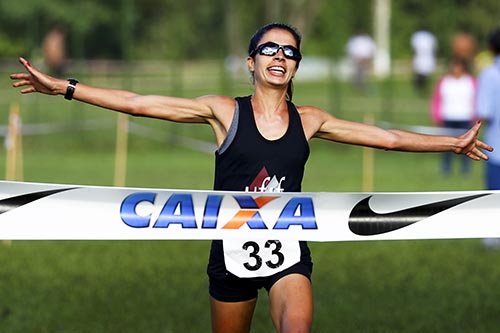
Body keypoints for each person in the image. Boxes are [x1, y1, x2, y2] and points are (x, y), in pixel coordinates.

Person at [10, 22, 492, 333]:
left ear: (297, 65)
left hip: (290, 247)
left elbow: (385, 137)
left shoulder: (311, 119)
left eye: (290, 51)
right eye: (269, 48)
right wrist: (65, 88)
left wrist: (449, 142)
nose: (280, 56)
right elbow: (140, 103)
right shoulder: (223, 112)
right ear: (251, 61)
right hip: (229, 249)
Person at [431, 58, 477, 176]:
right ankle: (446, 170)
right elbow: (437, 99)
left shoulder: (470, 81)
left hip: (465, 118)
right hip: (448, 117)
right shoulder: (444, 81)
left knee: (466, 146)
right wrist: (436, 115)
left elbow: (476, 99)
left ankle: (465, 170)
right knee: (446, 146)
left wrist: (475, 116)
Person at [476, 28, 500, 249]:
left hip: (497, 147)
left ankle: (492, 236)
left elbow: (484, 111)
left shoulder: (490, 74)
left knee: (495, 195)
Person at [411, 29, 438, 96]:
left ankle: (424, 89)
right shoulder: (428, 36)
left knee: (424, 75)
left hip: (425, 58)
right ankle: (421, 89)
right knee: (420, 75)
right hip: (422, 58)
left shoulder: (418, 36)